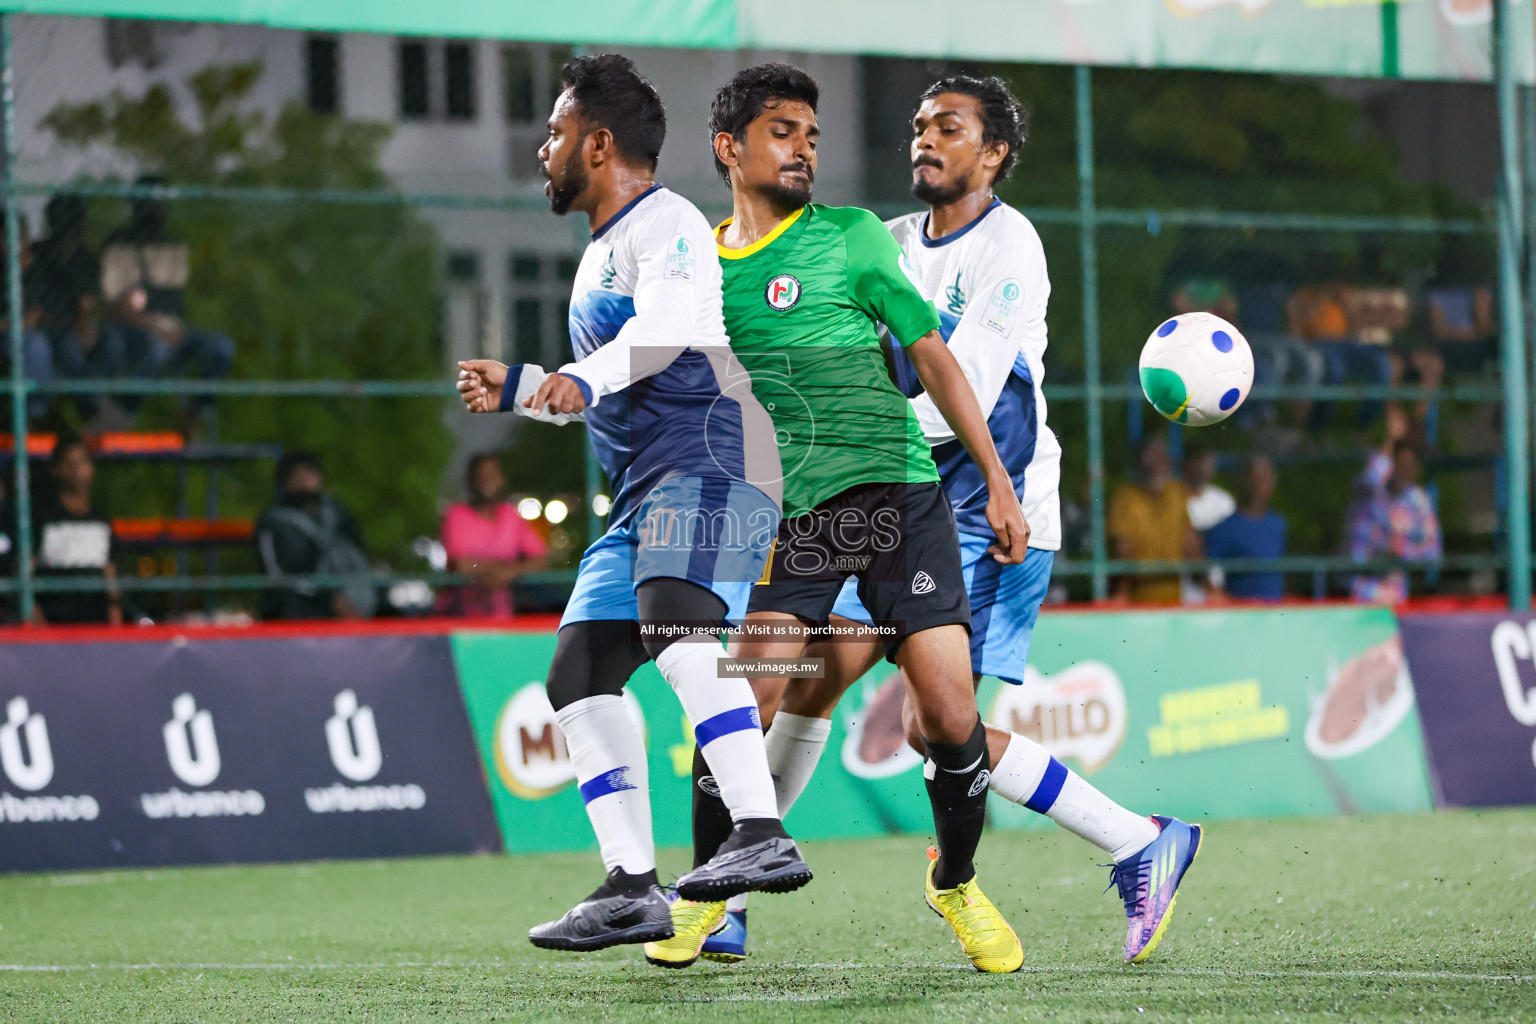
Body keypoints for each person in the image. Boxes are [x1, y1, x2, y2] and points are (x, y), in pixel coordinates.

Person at [668, 74, 1201, 970]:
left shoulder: (1011, 248)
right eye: (918, 126)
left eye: (948, 127)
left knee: (934, 726)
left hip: (985, 503)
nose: (924, 139)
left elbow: (965, 389)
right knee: (798, 682)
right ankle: (727, 893)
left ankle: (1133, 841)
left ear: (992, 154)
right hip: (859, 496)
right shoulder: (888, 240)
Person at [663, 63, 1032, 975]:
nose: (804, 149)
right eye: (783, 131)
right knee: (742, 694)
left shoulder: (857, 237)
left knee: (949, 715)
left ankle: (954, 880)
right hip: (799, 517)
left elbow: (936, 360)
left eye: (813, 136)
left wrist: (997, 480)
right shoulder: (701, 272)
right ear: (729, 148)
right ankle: (709, 894)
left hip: (902, 498)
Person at [456, 55, 806, 953]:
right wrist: (528, 387)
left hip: (714, 458)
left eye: (555, 131)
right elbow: (602, 387)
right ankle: (633, 888)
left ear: (599, 142)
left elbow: (663, 335)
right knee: (578, 673)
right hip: (644, 490)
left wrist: (571, 374)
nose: (544, 149)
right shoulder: (601, 250)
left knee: (676, 620)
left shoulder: (670, 222)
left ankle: (760, 837)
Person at [95, 183, 235, 420]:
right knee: (157, 349)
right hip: (134, 329)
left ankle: (198, 413)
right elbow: (116, 305)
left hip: (172, 330)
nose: (154, 216)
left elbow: (171, 302)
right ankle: (124, 411)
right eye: (147, 208)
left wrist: (173, 331)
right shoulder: (119, 245)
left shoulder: (173, 247)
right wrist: (155, 329)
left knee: (222, 347)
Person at [255, 450, 374, 620]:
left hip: (350, 605)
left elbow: (359, 556)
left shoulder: (337, 514)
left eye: (310, 470)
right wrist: (331, 600)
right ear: (285, 480)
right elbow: (278, 578)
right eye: (297, 473)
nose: (305, 478)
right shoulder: (273, 523)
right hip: (298, 614)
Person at [1345, 407, 1440, 604]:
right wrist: (1390, 440)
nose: (1406, 469)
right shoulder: (1371, 490)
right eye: (1400, 462)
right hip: (1361, 589)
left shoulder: (1417, 501)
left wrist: (1400, 551)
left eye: (1411, 464)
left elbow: (1432, 551)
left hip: (1396, 594)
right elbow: (1373, 477)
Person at [437, 453, 549, 618]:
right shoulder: (457, 514)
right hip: (460, 618)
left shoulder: (511, 515)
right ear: (470, 480)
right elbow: (461, 564)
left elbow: (540, 560)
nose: (487, 480)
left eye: (492, 474)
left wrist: (510, 573)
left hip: (504, 618)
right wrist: (501, 571)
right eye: (481, 475)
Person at [31, 437, 121, 626]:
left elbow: (109, 572)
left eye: (82, 462)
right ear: (56, 470)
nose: (77, 470)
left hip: (95, 623)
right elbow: (26, 571)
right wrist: (36, 619)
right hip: (54, 622)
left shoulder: (101, 520)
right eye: (69, 463)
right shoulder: (43, 518)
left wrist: (115, 615)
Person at [1107, 436, 1201, 604]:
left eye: (1161, 459)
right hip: (1136, 599)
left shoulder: (1177, 493)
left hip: (1174, 597)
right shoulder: (1125, 497)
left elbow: (1190, 544)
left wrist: (1207, 585)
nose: (1156, 467)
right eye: (1151, 460)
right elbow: (1122, 550)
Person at [1204, 455, 1287, 601]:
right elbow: (1202, 568)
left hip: (1276, 611)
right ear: (1244, 483)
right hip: (1244, 613)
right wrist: (1219, 595)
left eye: (1265, 480)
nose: (1260, 486)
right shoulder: (1225, 529)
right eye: (1255, 480)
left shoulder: (1278, 523)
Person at [0, 208, 55, 423]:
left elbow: (43, 313)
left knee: (38, 344)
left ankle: (35, 416)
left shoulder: (41, 266)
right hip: (10, 336)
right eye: (6, 235)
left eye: (19, 234)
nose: (14, 242)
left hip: (42, 333)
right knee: (34, 344)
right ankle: (31, 416)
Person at [1183, 447, 1235, 533]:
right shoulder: (1172, 496)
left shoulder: (1224, 500)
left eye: (1210, 464)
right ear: (1188, 464)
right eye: (1203, 463)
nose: (1206, 468)